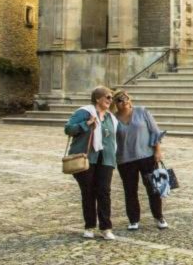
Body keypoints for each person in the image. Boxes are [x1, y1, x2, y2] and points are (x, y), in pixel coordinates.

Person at [64, 85, 119, 240]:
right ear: (97, 98)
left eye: (111, 97)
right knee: (88, 192)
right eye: (108, 97)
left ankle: (106, 228)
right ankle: (89, 226)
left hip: (106, 160)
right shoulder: (84, 112)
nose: (110, 100)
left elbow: (115, 139)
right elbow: (68, 129)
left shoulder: (111, 118)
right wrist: (85, 124)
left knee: (104, 192)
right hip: (86, 158)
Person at [112, 89, 168, 230]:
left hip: (147, 157)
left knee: (153, 188)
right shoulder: (113, 118)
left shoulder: (142, 111)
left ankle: (159, 217)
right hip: (125, 159)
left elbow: (155, 132)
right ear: (115, 103)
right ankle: (133, 220)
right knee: (130, 191)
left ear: (130, 99)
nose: (124, 101)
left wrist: (158, 151)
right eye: (119, 99)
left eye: (126, 98)